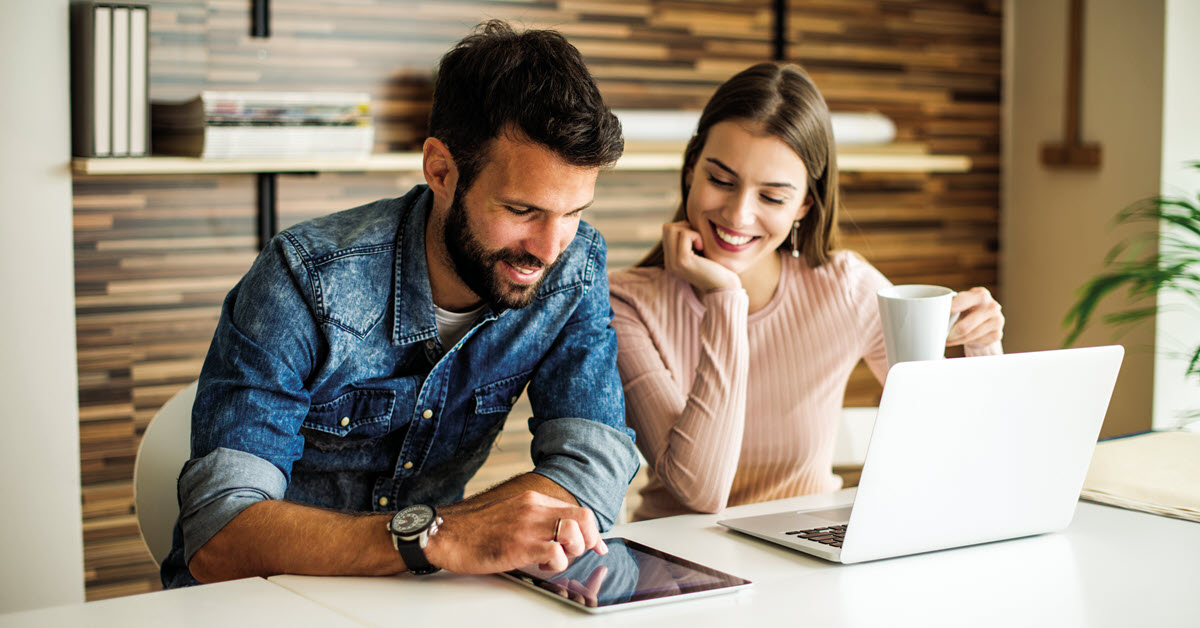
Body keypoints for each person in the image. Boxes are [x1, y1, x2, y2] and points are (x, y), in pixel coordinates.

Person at [161, 20, 639, 588]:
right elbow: (219, 536)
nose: (548, 248)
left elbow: (595, 468)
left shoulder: (574, 267)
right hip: (266, 602)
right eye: (521, 210)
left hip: (420, 600)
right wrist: (441, 537)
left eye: (574, 212)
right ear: (440, 169)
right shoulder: (303, 279)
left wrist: (449, 537)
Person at [609, 62, 1004, 521]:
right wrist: (724, 298)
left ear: (804, 206)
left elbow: (960, 454)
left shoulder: (846, 288)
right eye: (720, 180)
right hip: (682, 570)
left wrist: (981, 347)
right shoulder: (626, 304)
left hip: (811, 556)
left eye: (772, 197)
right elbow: (700, 492)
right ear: (692, 168)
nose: (738, 215)